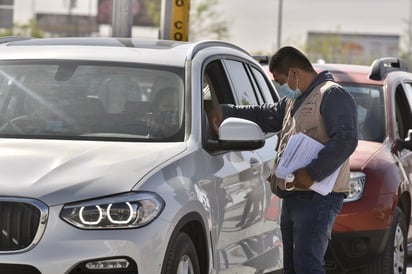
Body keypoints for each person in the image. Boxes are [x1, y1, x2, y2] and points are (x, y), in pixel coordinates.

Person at [208, 46, 358, 274]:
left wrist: (312, 173)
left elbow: (346, 140)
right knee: (293, 267)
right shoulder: (293, 101)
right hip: (294, 194)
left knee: (307, 265)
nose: (280, 87)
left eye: (280, 81)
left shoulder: (332, 94)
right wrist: (225, 112)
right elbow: (265, 115)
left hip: (317, 197)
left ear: (294, 73)